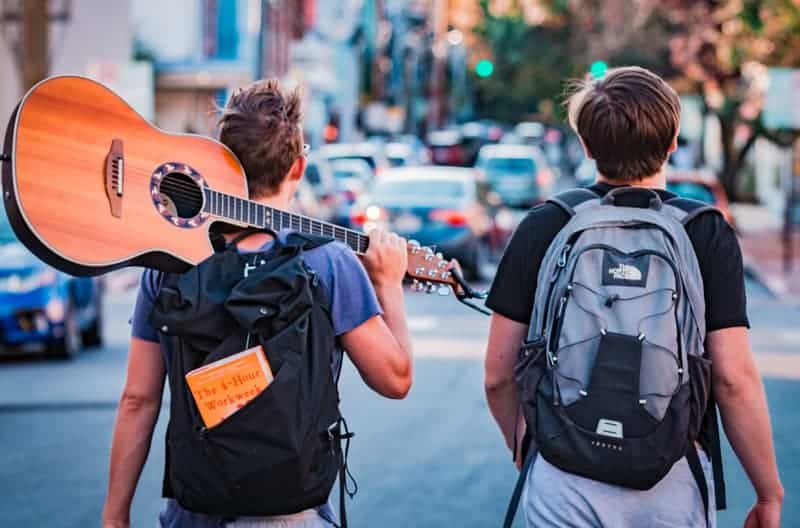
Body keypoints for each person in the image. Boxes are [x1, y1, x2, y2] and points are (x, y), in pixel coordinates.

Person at [102, 79, 413, 528]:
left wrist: (115, 515)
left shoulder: (170, 263)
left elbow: (137, 399)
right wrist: (388, 285)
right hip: (291, 514)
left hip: (194, 510)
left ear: (219, 161)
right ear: (298, 168)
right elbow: (395, 379)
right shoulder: (328, 263)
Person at [485, 66, 784, 527]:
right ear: (672, 142)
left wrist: (528, 448)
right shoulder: (704, 231)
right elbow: (733, 379)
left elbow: (498, 377)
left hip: (565, 478)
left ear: (585, 144)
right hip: (671, 477)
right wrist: (768, 493)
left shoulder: (545, 225)